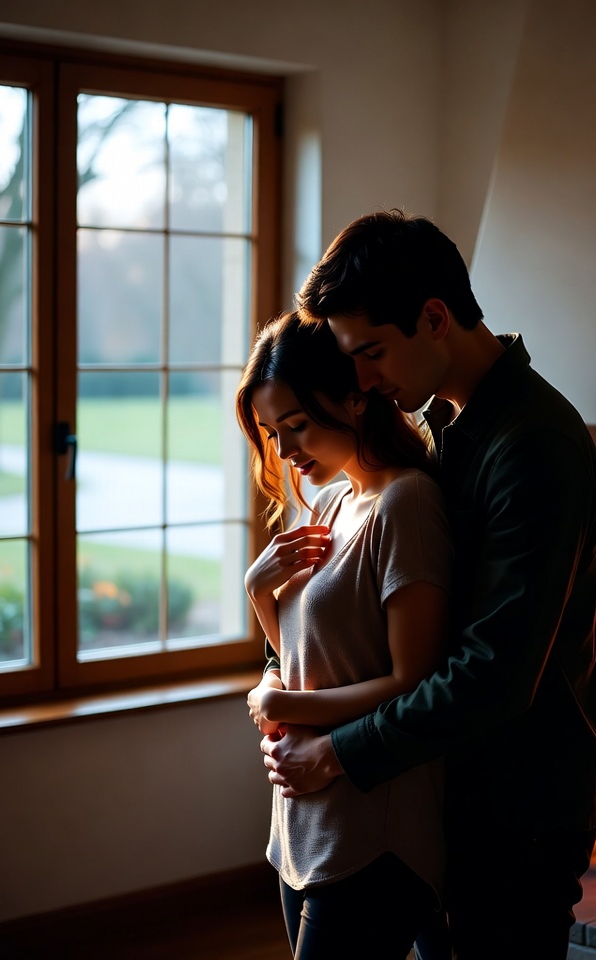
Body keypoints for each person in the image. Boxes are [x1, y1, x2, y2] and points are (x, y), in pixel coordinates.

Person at [261, 211, 596, 960]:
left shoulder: (534, 447)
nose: (360, 380)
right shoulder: (447, 428)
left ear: (434, 318)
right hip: (446, 790)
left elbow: (493, 673)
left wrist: (339, 752)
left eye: (372, 352)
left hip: (519, 811)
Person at [236, 311, 453, 960]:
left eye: (296, 425)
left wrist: (283, 706)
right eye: (272, 433)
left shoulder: (406, 504)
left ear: (354, 401)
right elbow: (306, 655)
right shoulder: (331, 501)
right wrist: (258, 591)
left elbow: (412, 679)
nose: (283, 450)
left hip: (373, 828)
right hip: (303, 820)